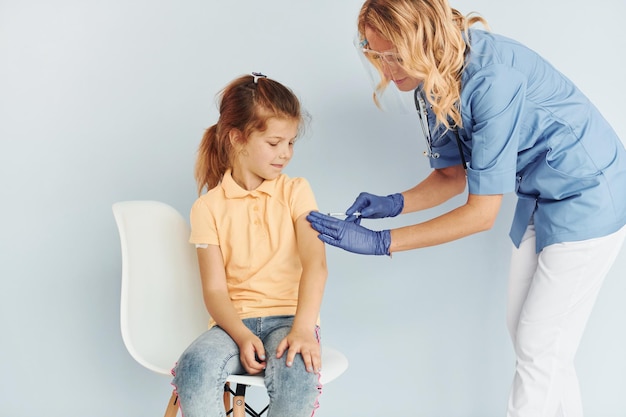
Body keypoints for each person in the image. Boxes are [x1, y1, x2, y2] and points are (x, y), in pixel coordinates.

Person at [306, 1, 626, 416]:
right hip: (543, 198)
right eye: (376, 54)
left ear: (424, 40)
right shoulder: (432, 77)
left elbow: (481, 213)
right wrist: (393, 204)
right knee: (537, 342)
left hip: (590, 194)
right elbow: (451, 176)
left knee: (539, 344)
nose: (386, 70)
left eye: (395, 56)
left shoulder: (492, 79)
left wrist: (382, 242)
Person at [172, 73, 328, 417]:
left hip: (290, 319)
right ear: (237, 138)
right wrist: (242, 336)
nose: (285, 154)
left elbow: (316, 264)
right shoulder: (208, 207)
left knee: (296, 372)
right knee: (193, 366)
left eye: (290, 143)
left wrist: (303, 328)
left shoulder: (296, 191)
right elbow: (214, 290)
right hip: (232, 325)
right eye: (274, 143)